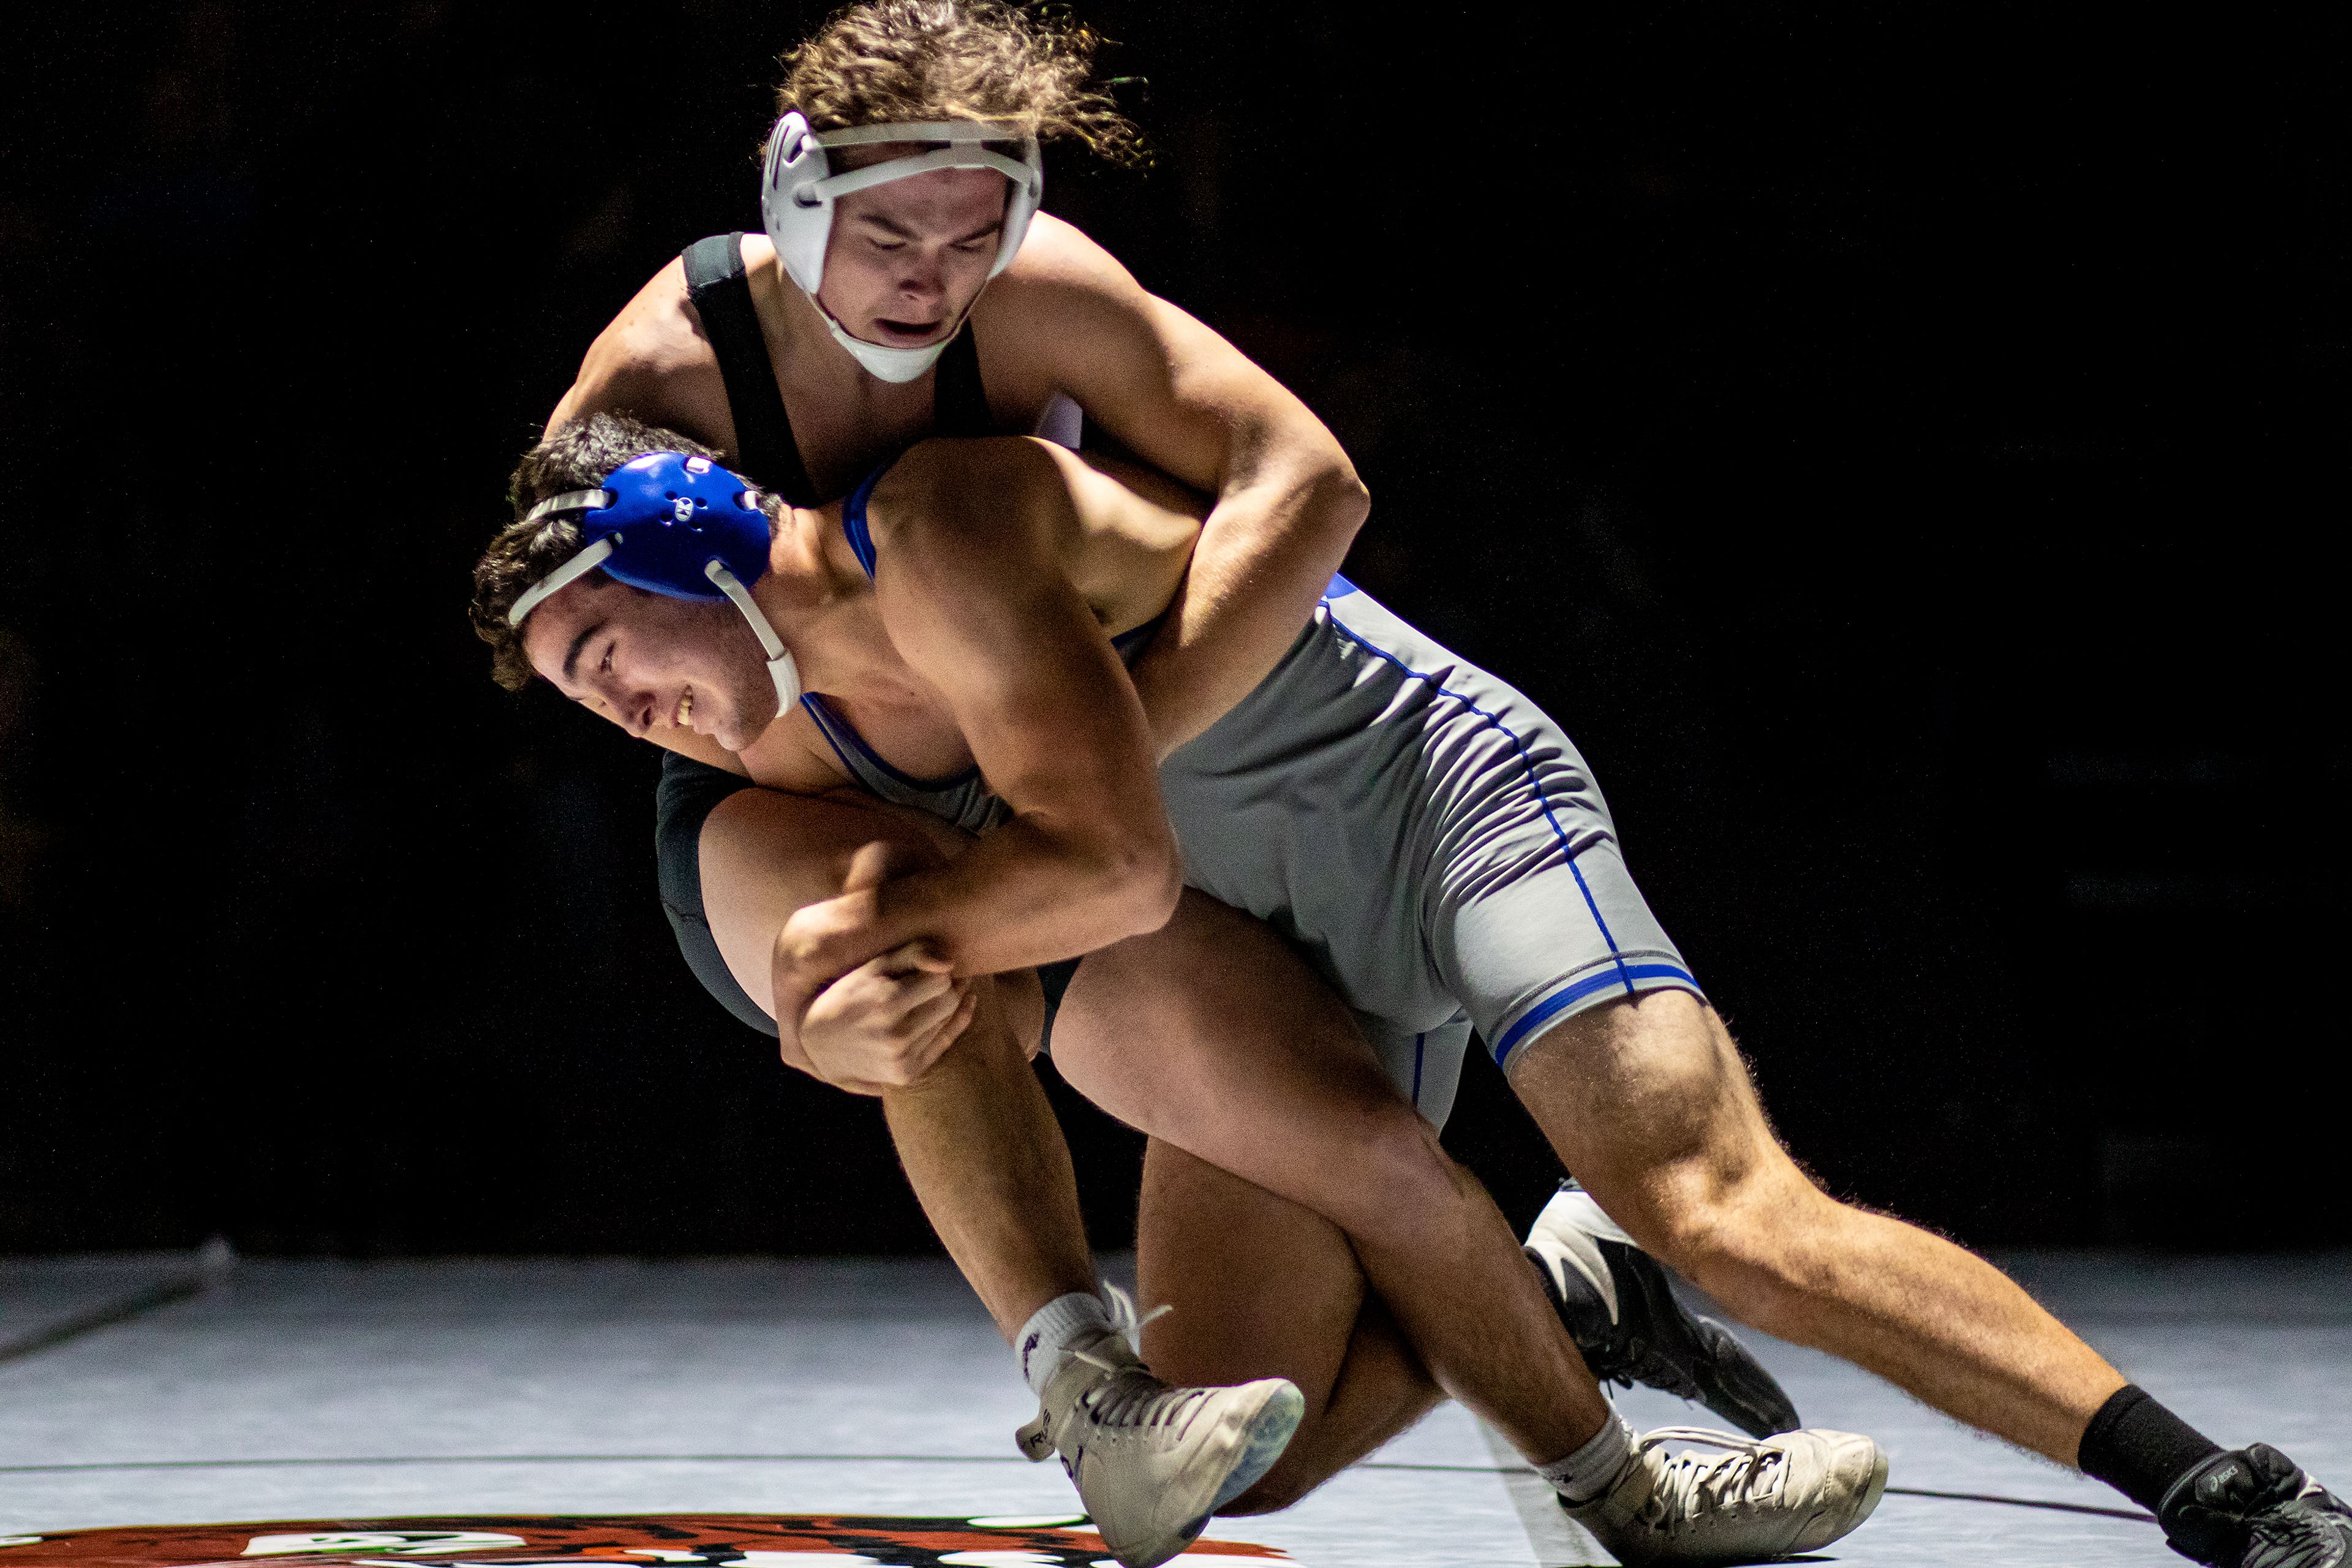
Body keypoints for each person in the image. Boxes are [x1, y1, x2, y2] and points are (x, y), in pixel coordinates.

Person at [473, 416, 2350, 1568]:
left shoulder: (948, 524)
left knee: (1726, 1213)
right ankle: (1554, 1293)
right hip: (1266, 948)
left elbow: (1276, 482)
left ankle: (2212, 1485)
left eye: (606, 651)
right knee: (1239, 1453)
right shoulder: (769, 764)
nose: (614, 704)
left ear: (683, 538)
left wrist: (875, 973)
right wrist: (841, 1016)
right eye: (575, 696)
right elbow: (912, 971)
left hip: (1431, 796)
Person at [549, 0, 1787, 1451]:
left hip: (1023, 756)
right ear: (792, 194)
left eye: (972, 236)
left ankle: (1541, 1299)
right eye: (888, 239)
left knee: (1265, 1395)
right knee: (894, 958)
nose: (928, 280)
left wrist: (1121, 741)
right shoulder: (656, 375)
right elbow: (551, 621)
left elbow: (1307, 482)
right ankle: (1084, 1375)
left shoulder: (1033, 291)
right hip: (794, 766)